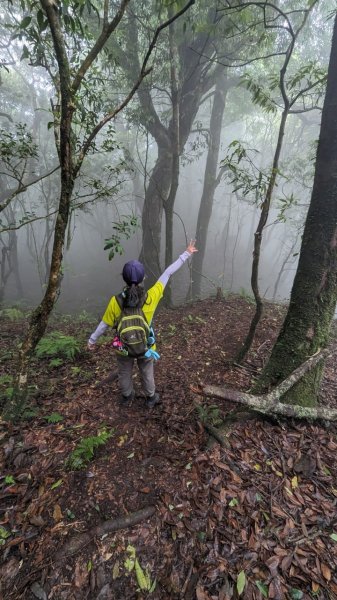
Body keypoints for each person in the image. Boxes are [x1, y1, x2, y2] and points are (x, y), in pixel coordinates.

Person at [88, 240, 197, 408]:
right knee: (147, 371)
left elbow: (104, 324)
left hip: (123, 347)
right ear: (143, 278)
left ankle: (126, 396)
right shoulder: (151, 297)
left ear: (124, 278)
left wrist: (92, 340)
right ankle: (151, 398)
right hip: (145, 346)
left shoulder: (116, 301)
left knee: (125, 371)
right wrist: (186, 253)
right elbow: (168, 273)